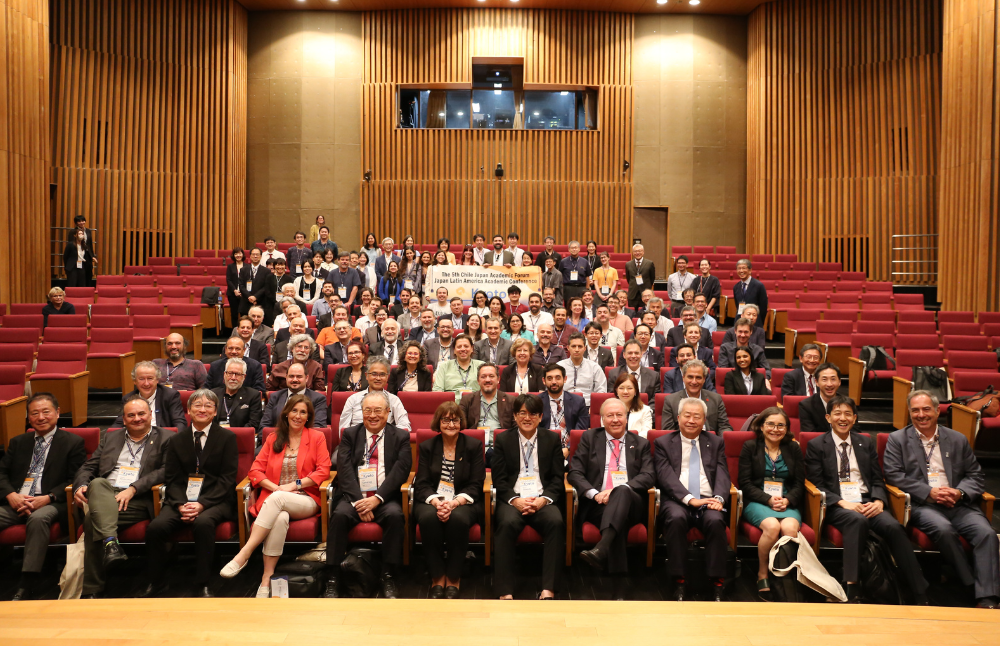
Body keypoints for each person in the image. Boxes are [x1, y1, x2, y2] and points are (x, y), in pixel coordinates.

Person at [804, 396, 930, 605]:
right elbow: (817, 483)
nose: (842, 418)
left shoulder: (865, 442)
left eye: (847, 414)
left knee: (893, 527)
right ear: (828, 418)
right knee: (857, 520)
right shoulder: (817, 445)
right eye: (837, 413)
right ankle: (851, 585)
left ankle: (918, 589)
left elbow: (876, 479)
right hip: (837, 505)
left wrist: (879, 501)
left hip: (866, 501)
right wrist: (843, 503)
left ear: (854, 418)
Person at [883, 390, 1000, 608]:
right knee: (944, 530)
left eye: (926, 409)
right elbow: (894, 475)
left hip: (958, 502)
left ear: (937, 411)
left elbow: (975, 475)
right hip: (924, 504)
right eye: (915, 410)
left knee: (987, 533)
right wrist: (929, 492)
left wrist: (959, 493)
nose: (921, 414)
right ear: (909, 413)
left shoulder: (957, 439)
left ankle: (988, 598)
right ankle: (970, 584)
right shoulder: (897, 439)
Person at [220, 394, 330, 597]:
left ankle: (244, 553)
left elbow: (323, 471)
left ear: (308, 417)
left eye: (303, 412)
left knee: (278, 500)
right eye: (294, 411)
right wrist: (275, 488)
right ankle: (266, 580)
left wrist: (292, 485)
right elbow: (255, 471)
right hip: (275, 499)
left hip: (306, 499)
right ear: (286, 413)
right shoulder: (273, 438)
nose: (298, 415)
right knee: (280, 518)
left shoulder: (316, 437)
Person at [139, 389, 237, 598]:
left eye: (208, 406)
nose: (202, 409)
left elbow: (227, 479)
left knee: (203, 523)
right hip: (181, 499)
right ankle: (157, 581)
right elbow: (172, 478)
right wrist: (180, 504)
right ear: (189, 410)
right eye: (198, 405)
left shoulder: (227, 438)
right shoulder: (176, 440)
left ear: (214, 412)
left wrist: (202, 504)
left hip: (215, 500)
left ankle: (203, 582)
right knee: (156, 527)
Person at [72, 397, 169, 598]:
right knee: (97, 483)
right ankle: (111, 543)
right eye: (131, 415)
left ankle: (93, 588)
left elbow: (165, 471)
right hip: (105, 493)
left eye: (141, 414)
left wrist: (133, 488)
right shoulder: (111, 437)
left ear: (150, 415)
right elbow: (89, 466)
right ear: (123, 419)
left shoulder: (166, 438)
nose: (137, 419)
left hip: (139, 498)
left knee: (91, 520)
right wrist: (80, 486)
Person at [324, 391, 412, 598]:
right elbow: (344, 471)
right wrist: (359, 502)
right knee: (338, 516)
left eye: (378, 410)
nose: (373, 415)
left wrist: (376, 499)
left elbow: (401, 471)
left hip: (384, 497)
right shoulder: (350, 434)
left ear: (388, 412)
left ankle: (388, 576)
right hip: (353, 497)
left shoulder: (400, 436)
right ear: (361, 412)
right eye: (368, 410)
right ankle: (332, 578)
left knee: (395, 517)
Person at [0, 393, 86, 600]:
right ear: (28, 418)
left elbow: (76, 478)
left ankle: (27, 583)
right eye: (34, 413)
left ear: (57, 413)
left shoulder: (73, 442)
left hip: (52, 503)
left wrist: (48, 497)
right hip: (17, 501)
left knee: (38, 518)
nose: (40, 417)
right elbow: (1, 472)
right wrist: (11, 495)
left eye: (46, 412)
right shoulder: (18, 442)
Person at [571, 398, 654, 593]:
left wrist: (619, 489)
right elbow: (575, 472)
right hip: (597, 505)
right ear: (602, 420)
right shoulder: (589, 438)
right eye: (610, 415)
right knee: (619, 520)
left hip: (632, 502)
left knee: (622, 491)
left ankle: (601, 548)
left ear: (627, 418)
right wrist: (594, 494)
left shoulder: (640, 444)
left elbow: (649, 475)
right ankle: (619, 584)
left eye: (619, 415)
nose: (615, 419)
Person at [653, 397, 730, 601]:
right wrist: (688, 499)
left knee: (715, 521)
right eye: (687, 415)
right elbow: (665, 476)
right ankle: (679, 580)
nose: (691, 420)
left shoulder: (715, 442)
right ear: (678, 418)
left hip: (708, 499)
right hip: (676, 500)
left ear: (704, 420)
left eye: (697, 416)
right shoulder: (663, 443)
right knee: (676, 519)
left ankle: (717, 582)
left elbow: (722, 473)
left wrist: (719, 498)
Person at [491, 394, 565, 599]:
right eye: (522, 413)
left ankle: (548, 589)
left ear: (541, 417)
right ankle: (505, 592)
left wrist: (544, 500)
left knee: (556, 522)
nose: (527, 418)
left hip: (542, 498)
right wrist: (515, 500)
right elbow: (499, 479)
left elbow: (558, 478)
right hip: (513, 499)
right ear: (514, 416)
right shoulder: (503, 439)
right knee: (505, 524)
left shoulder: (552, 439)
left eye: (532, 413)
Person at [413, 401, 486, 598]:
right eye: (446, 420)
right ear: (439, 422)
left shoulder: (473, 445)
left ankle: (454, 577)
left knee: (458, 519)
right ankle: (437, 576)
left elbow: (477, 482)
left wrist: (454, 503)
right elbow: (421, 483)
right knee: (429, 518)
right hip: (432, 500)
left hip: (463, 500)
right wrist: (437, 502)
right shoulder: (428, 446)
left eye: (455, 420)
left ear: (462, 423)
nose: (451, 424)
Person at [739, 407, 804, 601]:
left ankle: (785, 576)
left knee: (790, 529)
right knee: (772, 527)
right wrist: (767, 499)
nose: (775, 429)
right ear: (761, 426)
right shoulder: (750, 447)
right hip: (758, 500)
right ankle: (762, 573)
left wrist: (788, 499)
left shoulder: (793, 448)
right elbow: (745, 483)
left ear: (787, 428)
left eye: (780, 425)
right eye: (770, 424)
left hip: (787, 501)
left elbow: (800, 483)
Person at [338, 358, 411, 431]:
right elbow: (343, 429)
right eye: (374, 374)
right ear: (366, 375)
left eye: (382, 374)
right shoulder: (353, 399)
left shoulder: (394, 400)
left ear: (387, 377)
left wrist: (389, 436)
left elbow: (405, 426)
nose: (378, 378)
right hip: (357, 440)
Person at [661, 360, 731, 433]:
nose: (694, 382)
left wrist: (721, 441)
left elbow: (724, 426)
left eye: (698, 377)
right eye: (690, 377)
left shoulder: (716, 399)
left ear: (704, 379)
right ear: (683, 378)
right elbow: (668, 431)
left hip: (710, 442)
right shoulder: (670, 401)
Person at [113, 361, 186, 428]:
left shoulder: (170, 395)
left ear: (157, 380)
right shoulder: (128, 398)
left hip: (163, 439)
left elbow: (180, 423)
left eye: (150, 378)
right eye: (141, 379)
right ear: (135, 381)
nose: (146, 383)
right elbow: (119, 423)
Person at [539, 364, 590, 457]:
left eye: (558, 378)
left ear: (565, 379)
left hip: (572, 450)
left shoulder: (578, 401)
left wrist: (568, 448)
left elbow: (581, 429)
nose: (554, 382)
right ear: (544, 381)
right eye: (549, 378)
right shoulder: (537, 402)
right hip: (544, 450)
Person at [261, 363, 329, 429]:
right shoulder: (275, 397)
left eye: (299, 376)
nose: (295, 380)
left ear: (307, 378)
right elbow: (264, 425)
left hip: (305, 439)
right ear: (286, 377)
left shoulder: (318, 399)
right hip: (277, 438)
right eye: (291, 376)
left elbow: (318, 427)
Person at [211, 358, 263, 429]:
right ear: (224, 374)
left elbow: (254, 423)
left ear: (244, 377)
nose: (233, 377)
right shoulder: (213, 394)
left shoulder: (253, 395)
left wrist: (236, 434)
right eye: (230, 373)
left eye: (238, 374)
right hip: (215, 436)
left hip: (240, 437)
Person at [559, 333, 608, 406]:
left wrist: (594, 407)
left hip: (587, 406)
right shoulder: (559, 367)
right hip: (564, 405)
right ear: (568, 348)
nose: (577, 350)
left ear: (585, 348)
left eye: (580, 346)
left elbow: (601, 391)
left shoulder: (594, 367)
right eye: (573, 346)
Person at [460, 363, 514, 430]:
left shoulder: (511, 400)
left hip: (502, 439)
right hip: (476, 438)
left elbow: (516, 427)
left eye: (491, 376)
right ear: (478, 381)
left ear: (498, 379)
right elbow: (460, 424)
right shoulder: (467, 400)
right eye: (483, 377)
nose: (487, 380)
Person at [432, 334, 484, 403]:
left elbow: (488, 390)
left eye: (466, 346)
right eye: (459, 347)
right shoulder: (444, 366)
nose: (463, 349)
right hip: (451, 407)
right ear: (454, 350)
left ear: (472, 349)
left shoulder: (482, 366)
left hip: (476, 405)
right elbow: (437, 391)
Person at [798, 362, 842, 432]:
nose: (829, 384)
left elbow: (854, 432)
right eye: (824, 379)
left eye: (833, 379)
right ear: (816, 382)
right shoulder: (806, 406)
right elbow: (810, 434)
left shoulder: (848, 404)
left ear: (839, 382)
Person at [734, 259, 768, 327]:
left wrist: (759, 321)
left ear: (750, 270)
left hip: (754, 323)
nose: (741, 271)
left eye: (744, 268)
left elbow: (763, 308)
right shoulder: (736, 287)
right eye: (739, 268)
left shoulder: (759, 286)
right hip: (739, 321)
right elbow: (737, 305)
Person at [239, 247, 271, 316]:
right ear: (250, 256)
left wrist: (255, 297)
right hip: (246, 302)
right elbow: (241, 285)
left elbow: (266, 287)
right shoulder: (243, 270)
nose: (255, 256)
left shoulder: (266, 271)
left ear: (261, 256)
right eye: (253, 254)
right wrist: (249, 297)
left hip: (260, 302)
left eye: (257, 254)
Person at [624, 243, 655, 310]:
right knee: (632, 313)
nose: (637, 253)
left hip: (645, 293)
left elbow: (652, 278)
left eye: (639, 251)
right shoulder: (628, 264)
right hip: (633, 294)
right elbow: (628, 278)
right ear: (632, 252)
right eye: (635, 251)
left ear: (643, 252)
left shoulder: (649, 263)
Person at [225, 248, 246, 326]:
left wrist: (243, 292)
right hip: (232, 294)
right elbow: (228, 280)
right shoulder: (230, 266)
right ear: (233, 255)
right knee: (234, 314)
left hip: (244, 294)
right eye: (236, 254)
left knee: (244, 314)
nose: (238, 255)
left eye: (240, 253)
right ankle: (235, 331)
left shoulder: (247, 266)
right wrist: (235, 290)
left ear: (243, 254)